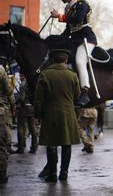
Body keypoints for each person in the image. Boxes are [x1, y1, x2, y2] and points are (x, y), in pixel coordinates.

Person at [34, 49, 81, 182]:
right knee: (67, 144)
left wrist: (38, 114)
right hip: (68, 114)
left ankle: (52, 174)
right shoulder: (73, 75)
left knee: (51, 144)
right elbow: (77, 96)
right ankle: (64, 173)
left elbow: (38, 99)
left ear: (53, 60)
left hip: (50, 113)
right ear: (66, 60)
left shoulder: (45, 74)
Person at [50, 0, 97, 107]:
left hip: (86, 39)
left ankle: (85, 91)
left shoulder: (82, 4)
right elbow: (69, 29)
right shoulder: (68, 8)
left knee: (80, 61)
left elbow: (78, 19)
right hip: (74, 40)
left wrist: (59, 16)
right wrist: (57, 40)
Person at [0, 56, 15, 183]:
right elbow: (8, 91)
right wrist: (13, 106)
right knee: (1, 144)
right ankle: (1, 174)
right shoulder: (0, 70)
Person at [14, 73, 38, 154]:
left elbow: (22, 98)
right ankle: (34, 147)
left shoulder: (23, 84)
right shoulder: (33, 83)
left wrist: (15, 102)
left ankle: (21, 148)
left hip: (24, 108)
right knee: (32, 127)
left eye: (20, 75)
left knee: (20, 127)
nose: (20, 77)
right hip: (32, 107)